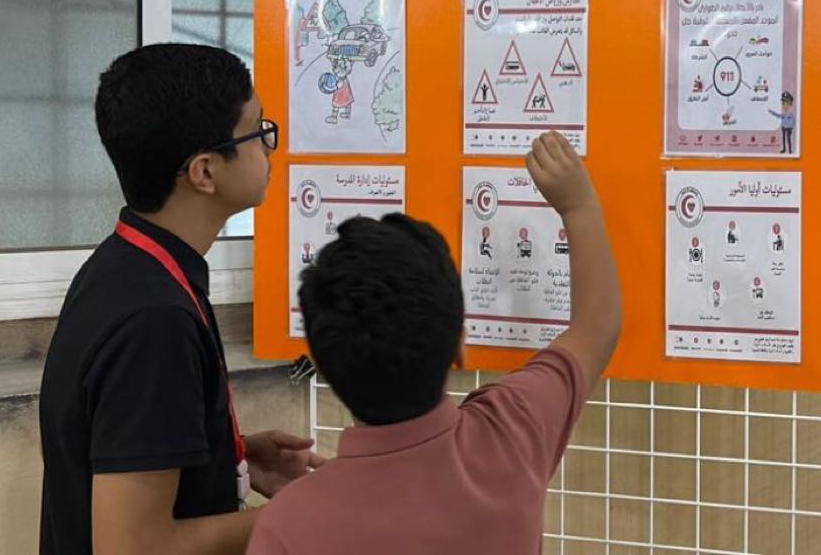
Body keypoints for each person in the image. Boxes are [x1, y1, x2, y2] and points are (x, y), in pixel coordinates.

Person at [247, 131, 622, 555]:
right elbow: (597, 326)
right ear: (460, 344)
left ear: (323, 364)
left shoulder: (290, 522)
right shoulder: (510, 431)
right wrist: (579, 206)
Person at [39, 44, 323, 555]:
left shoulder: (127, 264)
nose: (270, 148)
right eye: (258, 132)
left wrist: (230, 459)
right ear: (205, 172)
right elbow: (133, 547)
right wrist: (304, 514)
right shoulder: (155, 322)